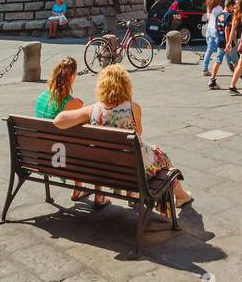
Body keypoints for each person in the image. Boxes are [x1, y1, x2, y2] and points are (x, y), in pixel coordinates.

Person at [52, 63, 193, 209]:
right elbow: (138, 133)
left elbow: (58, 121)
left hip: (103, 167)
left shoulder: (92, 110)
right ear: (125, 85)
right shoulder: (134, 108)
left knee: (149, 154)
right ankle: (180, 196)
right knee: (161, 157)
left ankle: (136, 195)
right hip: (133, 169)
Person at [34, 57, 92, 200]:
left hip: (40, 153)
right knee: (82, 142)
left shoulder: (42, 96)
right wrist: (79, 106)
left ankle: (78, 189)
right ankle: (78, 188)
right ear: (72, 76)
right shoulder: (71, 103)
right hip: (59, 156)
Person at [201, 0, 225, 76]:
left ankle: (205, 69)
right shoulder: (219, 8)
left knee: (209, 50)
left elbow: (207, 18)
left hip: (209, 29)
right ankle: (233, 65)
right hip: (216, 30)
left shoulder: (209, 7)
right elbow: (222, 19)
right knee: (222, 49)